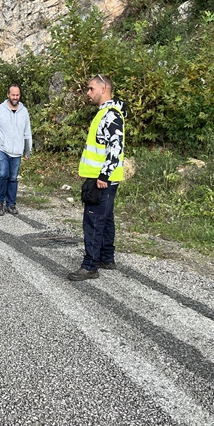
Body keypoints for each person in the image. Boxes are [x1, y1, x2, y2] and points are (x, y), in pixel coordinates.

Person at [68, 74, 126, 281]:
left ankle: (90, 266)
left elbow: (115, 147)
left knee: (93, 221)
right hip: (103, 177)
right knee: (106, 218)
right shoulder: (106, 113)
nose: (88, 93)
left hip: (101, 179)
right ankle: (106, 258)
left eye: (91, 88)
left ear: (104, 89)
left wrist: (104, 175)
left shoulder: (110, 115)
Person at [0, 84, 32, 216]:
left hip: (16, 150)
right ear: (8, 95)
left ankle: (11, 203)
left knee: (13, 177)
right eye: (13, 95)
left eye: (17, 95)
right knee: (2, 173)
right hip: (1, 148)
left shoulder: (24, 111)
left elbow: (27, 132)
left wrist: (27, 151)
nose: (15, 97)